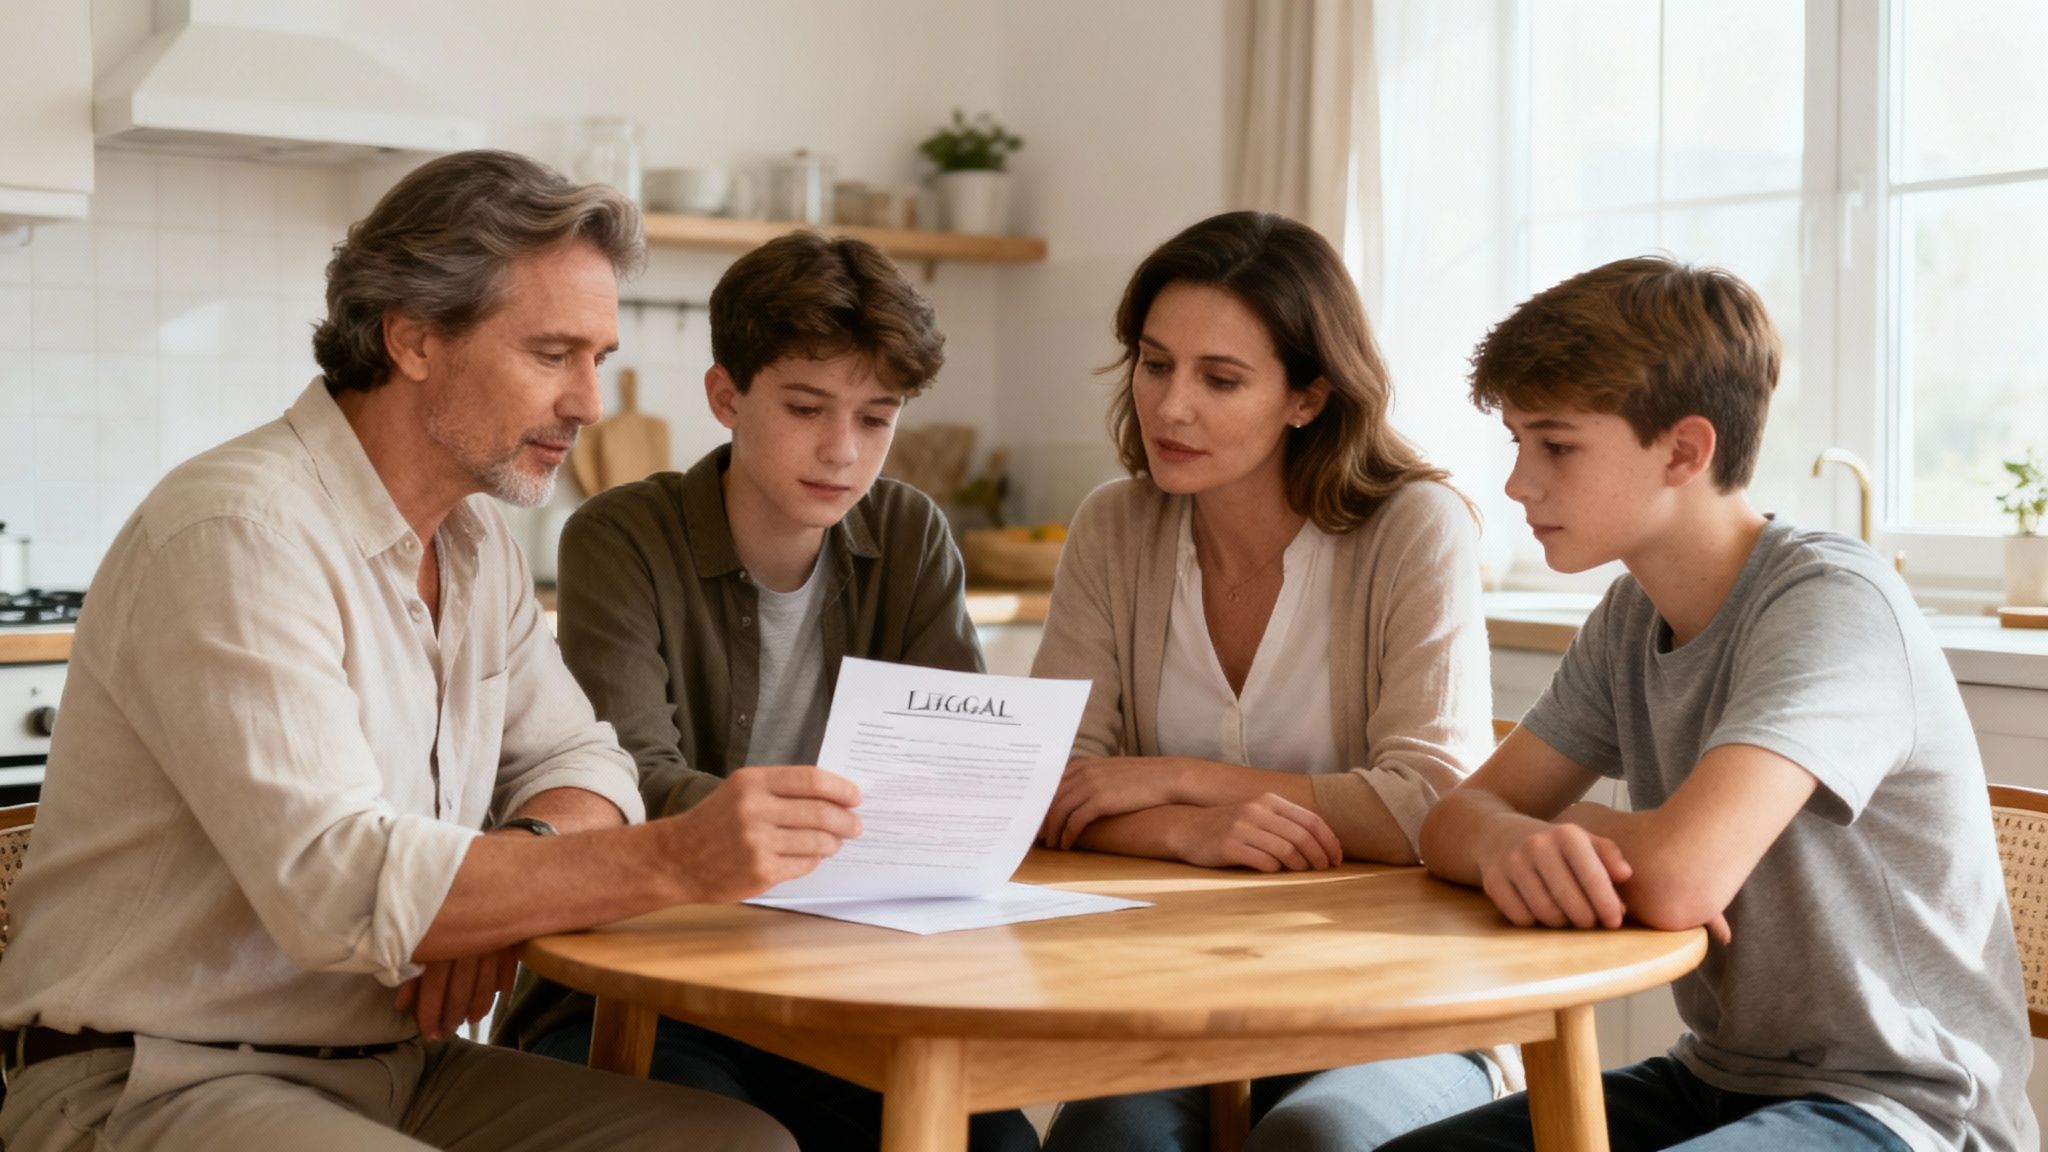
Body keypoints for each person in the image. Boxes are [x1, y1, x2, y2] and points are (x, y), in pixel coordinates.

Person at [0, 149, 866, 1152]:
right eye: (552, 354)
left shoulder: (474, 539)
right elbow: (340, 891)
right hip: (155, 1077)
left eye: (598, 358)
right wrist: (678, 856)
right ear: (412, 338)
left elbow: (587, 765)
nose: (588, 403)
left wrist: (505, 876)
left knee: (739, 1145)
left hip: (395, 1065)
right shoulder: (238, 532)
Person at [1379, 255, 2037, 1152]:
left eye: (1556, 446)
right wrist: (1510, 839)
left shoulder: (1833, 605)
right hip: (1718, 1076)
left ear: (1685, 451)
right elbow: (1452, 819)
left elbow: (1681, 878)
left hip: (1906, 1103)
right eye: (1517, 443)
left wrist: (1566, 826)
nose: (1518, 483)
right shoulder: (1631, 614)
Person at [494, 230, 1039, 1152]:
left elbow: (952, 778)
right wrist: (849, 837)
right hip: (647, 978)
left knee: (998, 1143)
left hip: (841, 978)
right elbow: (633, 782)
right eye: (805, 407)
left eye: (877, 418)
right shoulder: (621, 535)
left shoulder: (911, 533)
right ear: (726, 396)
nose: (842, 450)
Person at [1031, 211, 1503, 1152]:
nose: (1171, 408)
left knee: (1313, 1141)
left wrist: (1179, 777)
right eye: (1155, 364)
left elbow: (1426, 803)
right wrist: (1189, 831)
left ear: (1307, 396)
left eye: (1220, 379)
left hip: (1401, 999)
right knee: (1105, 1143)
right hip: (1179, 998)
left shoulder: (1416, 527)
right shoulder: (1115, 527)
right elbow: (1046, 786)